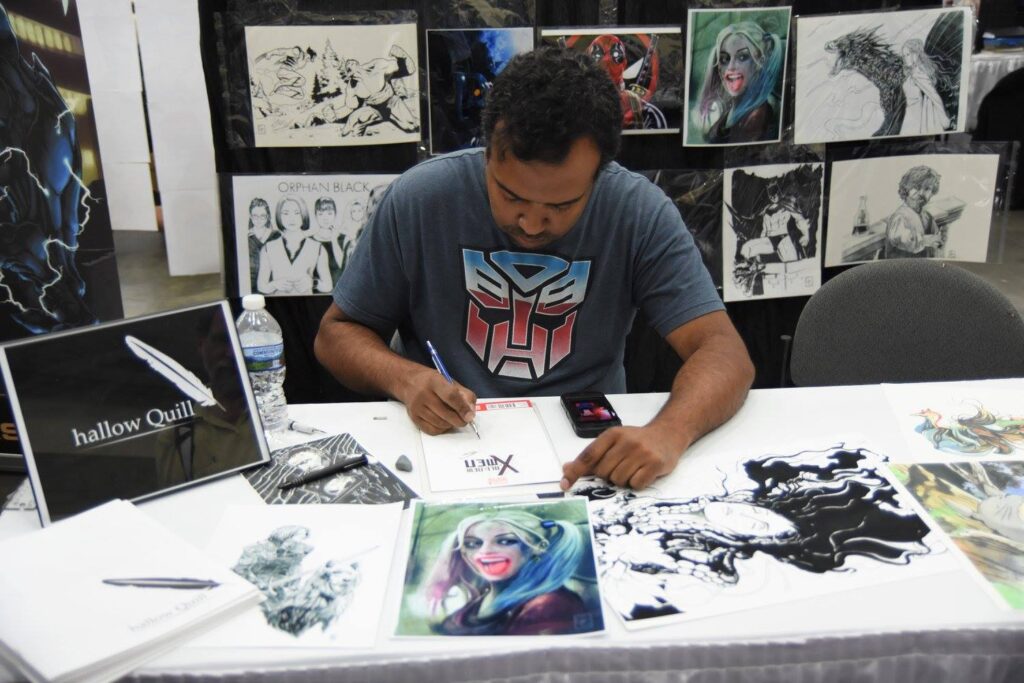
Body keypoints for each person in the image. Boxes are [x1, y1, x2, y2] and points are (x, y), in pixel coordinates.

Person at [314, 47, 754, 491]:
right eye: (511, 196)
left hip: (584, 451)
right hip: (450, 443)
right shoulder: (421, 199)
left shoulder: (638, 211)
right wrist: (406, 380)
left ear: (599, 174)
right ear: (486, 154)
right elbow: (336, 333)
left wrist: (668, 433)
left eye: (562, 205)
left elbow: (723, 352)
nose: (531, 222)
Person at [423, 508, 591, 635]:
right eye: (473, 544)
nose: (485, 552)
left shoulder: (550, 604)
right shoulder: (483, 596)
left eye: (505, 541)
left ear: (539, 547)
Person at [694, 21, 784, 144]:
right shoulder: (728, 113)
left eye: (742, 57)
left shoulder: (756, 120)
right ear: (719, 68)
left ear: (760, 63)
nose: (731, 67)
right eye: (724, 59)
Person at [257, 196, 332, 294]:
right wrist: (274, 284)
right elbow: (261, 286)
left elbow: (328, 286)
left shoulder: (317, 248)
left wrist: (313, 283)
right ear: (279, 216)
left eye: (297, 213)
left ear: (304, 215)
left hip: (308, 304)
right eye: (286, 213)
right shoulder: (268, 248)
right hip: (278, 304)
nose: (291, 218)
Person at [883, 166, 943, 259]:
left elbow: (937, 240)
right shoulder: (899, 216)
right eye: (917, 187)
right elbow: (901, 239)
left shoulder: (927, 217)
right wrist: (926, 240)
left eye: (927, 189)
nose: (921, 193)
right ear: (906, 189)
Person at [899, 39, 951, 135]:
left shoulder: (917, 74)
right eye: (904, 55)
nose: (906, 58)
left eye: (908, 54)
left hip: (916, 119)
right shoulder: (912, 74)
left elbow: (933, 94)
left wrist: (944, 118)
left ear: (916, 54)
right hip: (910, 116)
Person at [310, 197, 348, 285]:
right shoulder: (309, 241)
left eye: (329, 213)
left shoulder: (343, 239)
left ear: (335, 214)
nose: (325, 218)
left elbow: (344, 267)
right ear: (315, 215)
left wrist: (334, 240)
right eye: (320, 214)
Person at [247, 197, 277, 292]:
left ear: (267, 216)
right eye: (255, 216)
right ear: (251, 217)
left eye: (262, 216)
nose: (258, 219)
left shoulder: (276, 236)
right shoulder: (245, 238)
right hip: (251, 286)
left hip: (272, 285)